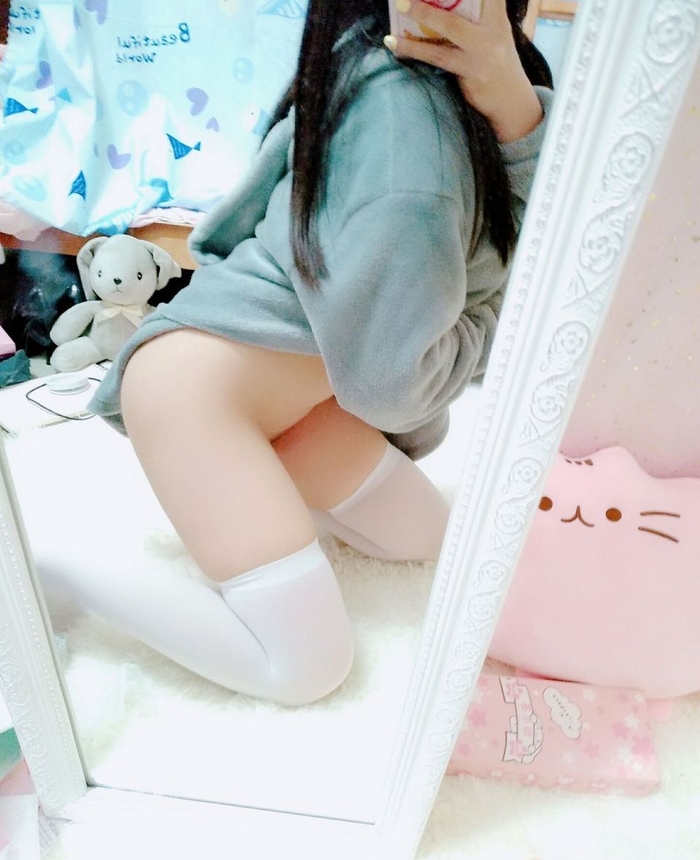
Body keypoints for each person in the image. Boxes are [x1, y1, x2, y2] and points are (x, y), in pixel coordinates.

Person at [41, 0, 554, 705]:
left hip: (300, 397)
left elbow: (520, 242)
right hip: (199, 396)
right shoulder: (404, 128)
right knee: (305, 667)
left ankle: (266, 491)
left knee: (431, 538)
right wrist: (509, 328)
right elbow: (393, 381)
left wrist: (519, 117)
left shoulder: (429, 82)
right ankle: (45, 567)